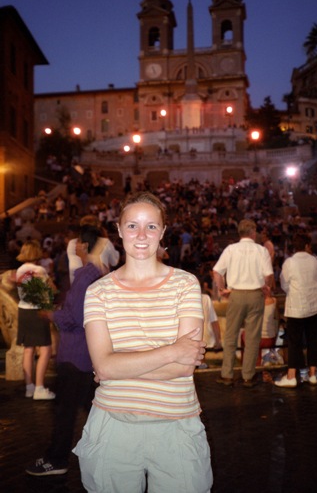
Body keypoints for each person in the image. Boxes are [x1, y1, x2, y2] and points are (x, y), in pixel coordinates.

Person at [73, 191, 213, 493]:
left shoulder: (185, 283)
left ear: (162, 232)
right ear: (119, 229)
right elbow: (105, 366)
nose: (141, 234)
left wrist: (117, 367)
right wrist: (173, 351)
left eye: (151, 226)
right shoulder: (98, 291)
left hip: (177, 426)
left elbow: (185, 366)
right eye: (133, 225)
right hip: (113, 426)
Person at [25, 226, 108, 477]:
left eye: (77, 242)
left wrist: (52, 314)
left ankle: (57, 459)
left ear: (83, 245)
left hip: (76, 353)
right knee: (89, 408)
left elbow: (77, 316)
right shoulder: (97, 274)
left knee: (65, 413)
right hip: (86, 354)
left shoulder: (86, 276)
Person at [213, 219, 274, 387]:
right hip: (255, 295)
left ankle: (227, 374)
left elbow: (217, 271)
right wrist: (266, 287)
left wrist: (222, 289)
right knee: (253, 337)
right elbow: (268, 274)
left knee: (231, 335)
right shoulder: (261, 250)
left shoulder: (231, 249)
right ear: (253, 232)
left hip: (236, 295)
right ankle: (248, 376)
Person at [275, 234, 317, 388]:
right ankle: (313, 374)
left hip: (297, 306)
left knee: (294, 342)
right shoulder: (315, 260)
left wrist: (295, 291)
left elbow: (284, 284)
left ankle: (291, 376)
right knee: (314, 340)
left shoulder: (289, 262)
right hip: (315, 305)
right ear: (307, 245)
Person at [15, 241, 56, 400]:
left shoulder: (20, 270)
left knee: (28, 349)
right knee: (45, 349)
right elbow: (51, 289)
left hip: (23, 310)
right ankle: (40, 387)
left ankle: (29, 387)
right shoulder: (40, 270)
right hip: (38, 310)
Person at [66, 214, 120, 284]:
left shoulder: (71, 244)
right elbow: (115, 262)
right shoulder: (105, 242)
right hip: (98, 291)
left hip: (77, 289)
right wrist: (105, 236)